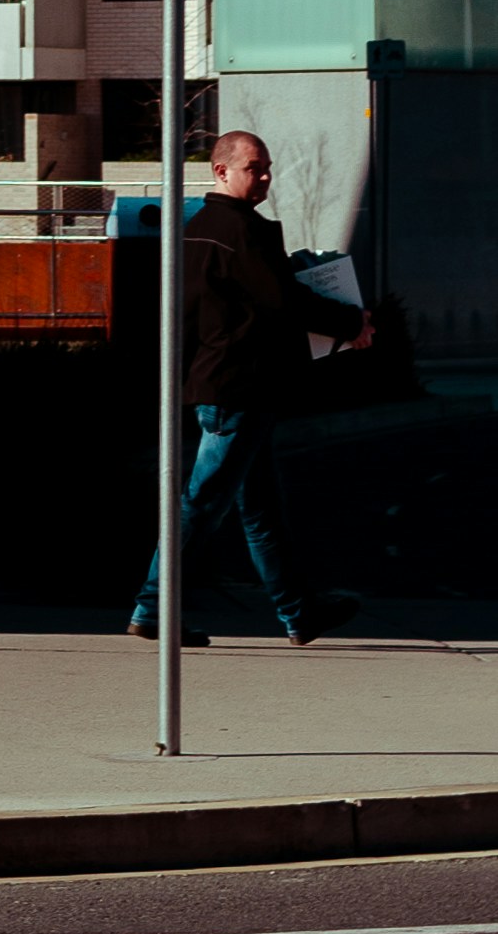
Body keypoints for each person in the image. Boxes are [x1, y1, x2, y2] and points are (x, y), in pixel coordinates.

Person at [130, 126, 372, 645]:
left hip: (218, 384)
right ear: (221, 170)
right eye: (252, 168)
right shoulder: (242, 233)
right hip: (240, 389)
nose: (264, 177)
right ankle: (152, 610)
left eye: (266, 168)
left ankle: (299, 612)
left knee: (261, 509)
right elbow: (284, 304)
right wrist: (353, 324)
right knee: (201, 505)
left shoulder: (194, 230)